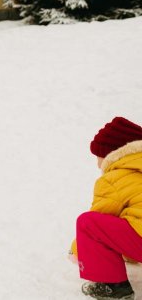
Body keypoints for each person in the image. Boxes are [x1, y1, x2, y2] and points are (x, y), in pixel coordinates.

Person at [72, 116, 142, 300]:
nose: (97, 162)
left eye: (98, 156)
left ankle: (113, 287)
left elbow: (99, 220)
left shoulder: (114, 178)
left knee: (88, 223)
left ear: (112, 155)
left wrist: (77, 250)